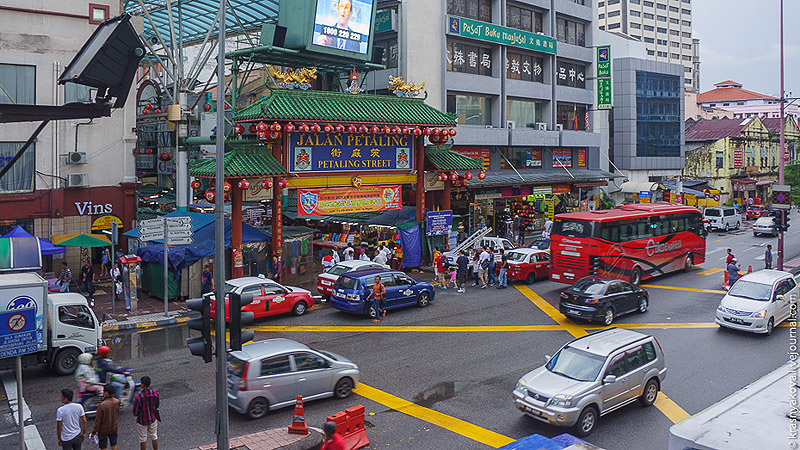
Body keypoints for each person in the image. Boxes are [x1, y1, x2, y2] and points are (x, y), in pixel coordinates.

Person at [132, 376, 160, 450]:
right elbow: (157, 405)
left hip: (142, 420)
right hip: (153, 418)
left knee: (143, 439)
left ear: (143, 384)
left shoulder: (139, 397)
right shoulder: (155, 393)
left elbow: (135, 412)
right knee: (154, 436)